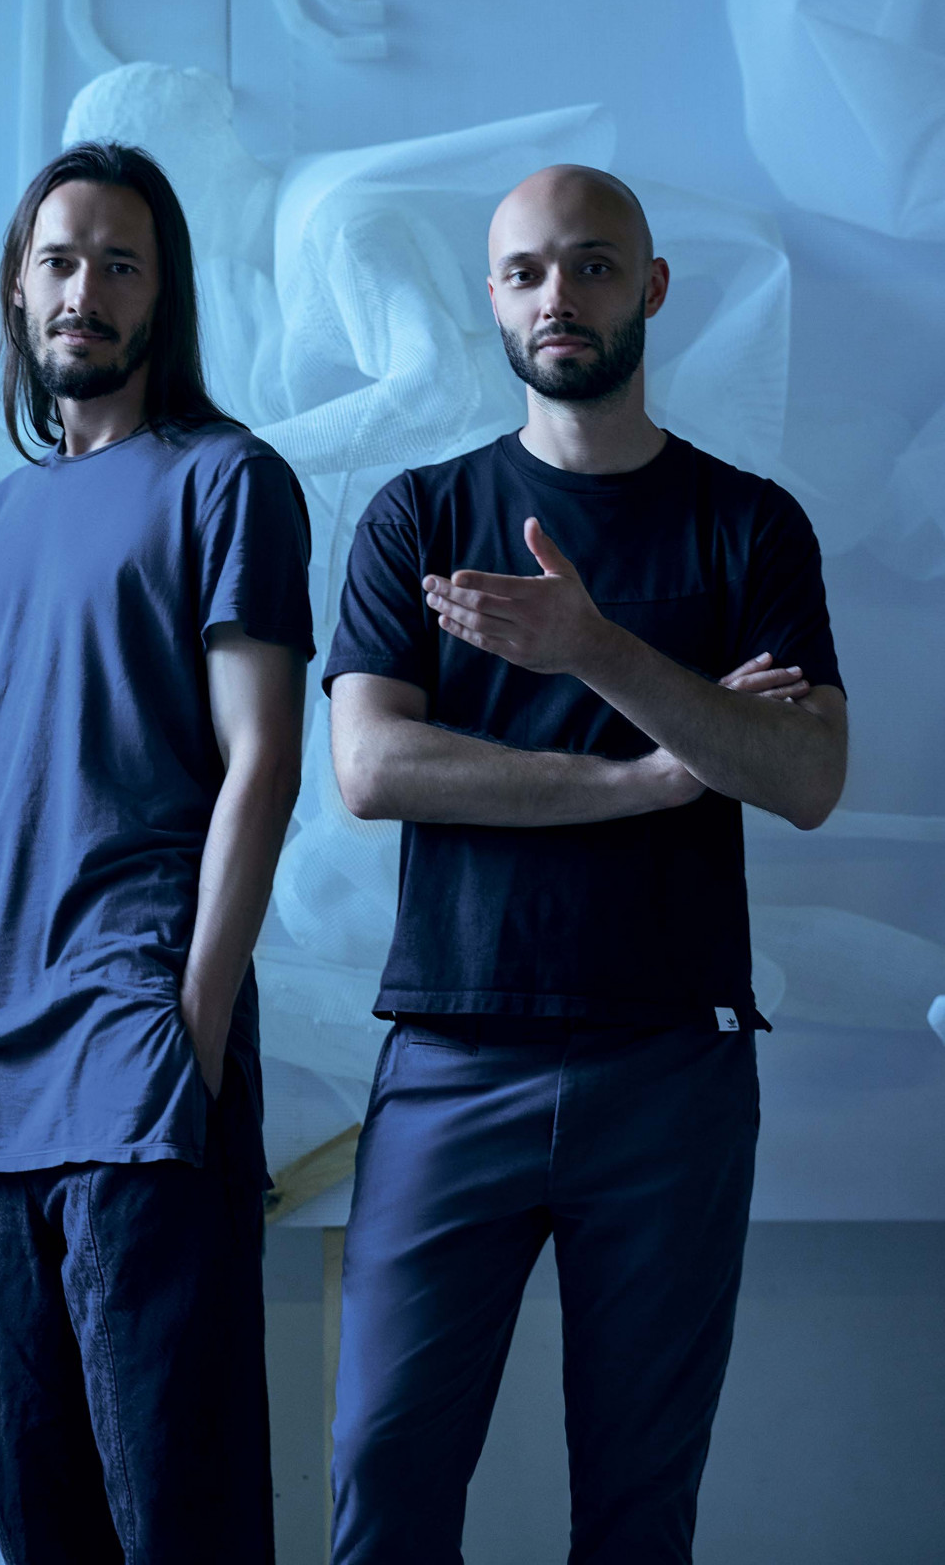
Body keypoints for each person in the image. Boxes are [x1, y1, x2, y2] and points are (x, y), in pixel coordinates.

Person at [323, 164, 847, 1565]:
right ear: (493, 299)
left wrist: (596, 651)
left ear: (651, 288)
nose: (559, 294)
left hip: (672, 1066)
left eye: (594, 264)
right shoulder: (417, 517)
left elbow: (805, 777)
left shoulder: (752, 524)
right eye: (527, 271)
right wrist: (650, 777)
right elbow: (372, 769)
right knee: (384, 1479)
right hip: (451, 1052)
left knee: (638, 1508)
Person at [0, 142, 313, 1565]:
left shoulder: (229, 481)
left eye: (120, 264)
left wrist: (193, 1024)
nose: (86, 290)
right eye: (61, 261)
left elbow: (264, 761)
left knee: (184, 1526)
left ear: (162, 296)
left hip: (136, 1052)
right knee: (39, 1528)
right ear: (19, 291)